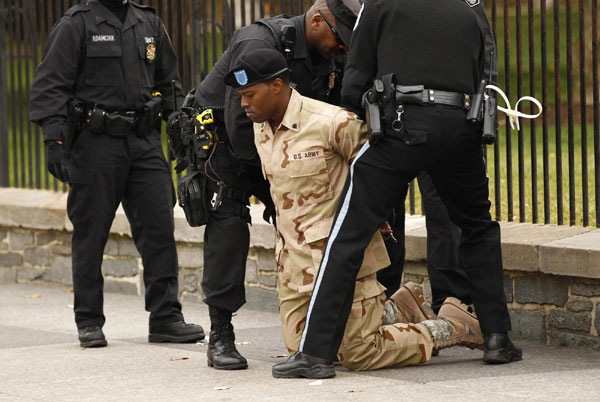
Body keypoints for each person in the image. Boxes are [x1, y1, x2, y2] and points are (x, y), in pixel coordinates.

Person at [272, 0, 523, 378]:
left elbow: (356, 78)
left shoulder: (381, 4)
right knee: (477, 227)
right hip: (460, 127)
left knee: (346, 237)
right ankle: (497, 338)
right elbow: (485, 69)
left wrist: (366, 119)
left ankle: (316, 353)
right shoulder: (470, 6)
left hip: (402, 128)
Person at [224, 47, 487, 377]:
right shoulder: (261, 129)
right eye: (240, 96)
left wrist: (378, 224)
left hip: (343, 264)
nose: (243, 104)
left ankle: (455, 326)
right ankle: (401, 307)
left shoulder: (333, 123)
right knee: (304, 348)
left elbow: (380, 175)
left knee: (360, 354)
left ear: (276, 86)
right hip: (295, 266)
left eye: (249, 95)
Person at [166, 0, 363, 370]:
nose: (344, 48)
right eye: (340, 39)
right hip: (224, 144)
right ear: (317, 22)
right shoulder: (259, 44)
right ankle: (221, 334)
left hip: (278, 146)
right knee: (229, 223)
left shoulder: (326, 58)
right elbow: (243, 129)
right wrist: (280, 186)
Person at [28, 0, 204, 348]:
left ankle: (166, 316)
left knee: (159, 227)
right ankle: (89, 320)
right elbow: (51, 85)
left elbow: (169, 82)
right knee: (91, 232)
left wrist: (178, 133)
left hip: (143, 141)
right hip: (96, 144)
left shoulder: (148, 22)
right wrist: (54, 139)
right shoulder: (76, 24)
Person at [379, 1, 499, 314]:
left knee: (446, 213)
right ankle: (384, 299)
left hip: (449, 117)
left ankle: (452, 302)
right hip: (396, 116)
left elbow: (484, 55)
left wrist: (479, 112)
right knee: (385, 210)